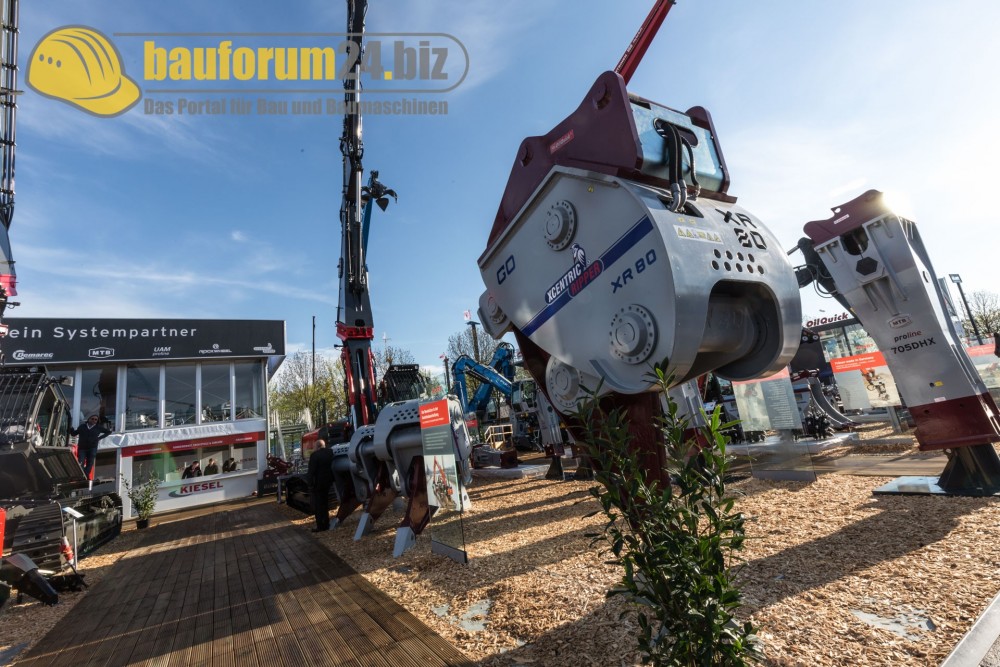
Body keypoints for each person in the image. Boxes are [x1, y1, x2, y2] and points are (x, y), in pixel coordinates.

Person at [307, 439, 335, 532]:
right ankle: (326, 523)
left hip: (318, 483)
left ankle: (320, 526)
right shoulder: (330, 452)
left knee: (318, 505)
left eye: (314, 446)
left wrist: (310, 484)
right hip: (328, 482)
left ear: (317, 446)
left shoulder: (314, 455)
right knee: (325, 503)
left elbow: (311, 471)